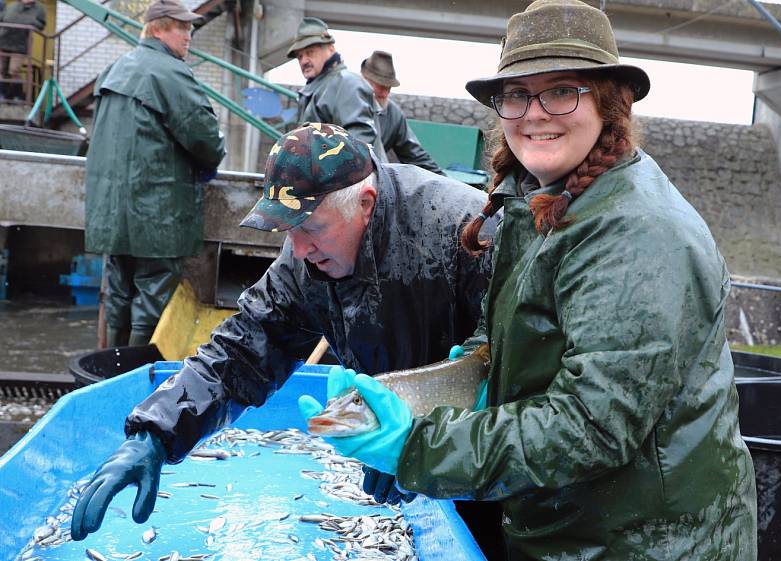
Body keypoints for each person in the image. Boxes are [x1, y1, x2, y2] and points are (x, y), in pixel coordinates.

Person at [304, 1, 759, 560]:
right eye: (517, 94)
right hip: (566, 526)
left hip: (648, 541)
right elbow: (505, 343)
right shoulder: (538, 199)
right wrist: (431, 392)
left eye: (562, 90)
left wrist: (418, 447)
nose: (535, 113)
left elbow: (592, 424)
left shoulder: (639, 233)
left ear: (609, 103)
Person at [70, 122, 495, 542]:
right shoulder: (304, 261)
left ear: (365, 203)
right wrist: (156, 433)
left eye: (310, 228)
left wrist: (428, 443)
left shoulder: (467, 229)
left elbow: (514, 368)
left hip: (493, 462)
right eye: (289, 230)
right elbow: (242, 349)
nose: (299, 248)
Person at [84, 0, 226, 348]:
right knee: (153, 295)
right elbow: (206, 139)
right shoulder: (170, 72)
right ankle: (137, 374)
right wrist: (209, 163)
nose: (189, 34)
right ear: (159, 28)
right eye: (183, 27)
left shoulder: (114, 70)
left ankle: (111, 368)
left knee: (118, 291)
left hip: (110, 214)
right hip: (157, 213)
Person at [287, 16, 388, 161]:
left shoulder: (346, 83)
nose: (304, 61)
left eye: (310, 52)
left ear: (331, 49)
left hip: (355, 181)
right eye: (300, 56)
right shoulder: (318, 89)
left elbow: (360, 144)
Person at [360, 50, 444, 175]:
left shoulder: (394, 114)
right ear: (364, 80)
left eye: (388, 87)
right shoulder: (345, 104)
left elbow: (414, 154)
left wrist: (444, 180)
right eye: (381, 86)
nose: (385, 93)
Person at [0, 0, 46, 100]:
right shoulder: (12, 5)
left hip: (20, 44)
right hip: (4, 41)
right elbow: (3, 18)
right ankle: (5, 96)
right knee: (2, 71)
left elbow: (41, 25)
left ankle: (17, 96)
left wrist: (29, 21)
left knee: (14, 70)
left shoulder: (39, 8)